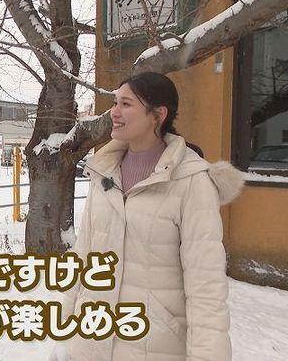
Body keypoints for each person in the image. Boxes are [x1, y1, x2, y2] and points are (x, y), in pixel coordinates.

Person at [51, 72, 243, 361]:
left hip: (153, 346)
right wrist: (64, 332)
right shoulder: (104, 172)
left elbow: (206, 288)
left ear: (158, 115)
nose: (114, 112)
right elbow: (84, 257)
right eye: (115, 102)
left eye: (126, 104)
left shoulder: (191, 181)